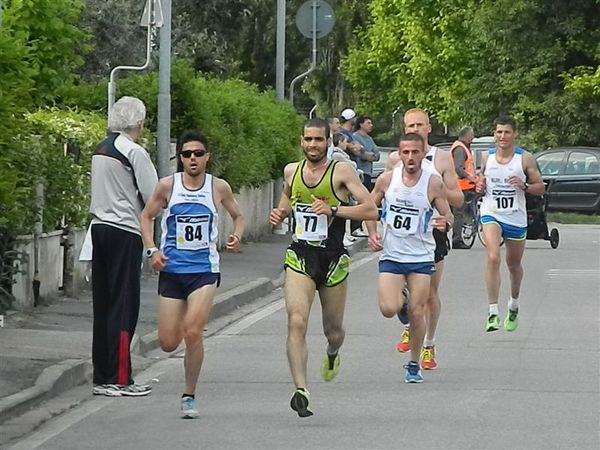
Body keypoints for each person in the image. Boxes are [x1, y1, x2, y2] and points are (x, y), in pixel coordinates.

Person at [269, 118, 378, 417]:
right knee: (296, 322)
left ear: (329, 141)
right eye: (308, 140)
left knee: (333, 331)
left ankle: (332, 354)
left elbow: (370, 209)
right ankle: (301, 390)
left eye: (318, 140)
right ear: (301, 140)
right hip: (300, 257)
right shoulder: (292, 171)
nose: (313, 145)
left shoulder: (341, 171)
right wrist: (280, 213)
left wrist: (333, 209)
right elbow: (287, 200)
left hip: (332, 261)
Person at [140, 129, 244, 418]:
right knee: (168, 342)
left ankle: (189, 395)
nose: (193, 159)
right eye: (187, 154)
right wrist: (151, 250)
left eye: (198, 153)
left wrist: (237, 236)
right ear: (181, 159)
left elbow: (238, 216)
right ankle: (186, 378)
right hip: (172, 270)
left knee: (193, 331)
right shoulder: (167, 186)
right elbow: (146, 216)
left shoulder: (218, 187)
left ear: (207, 157)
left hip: (204, 270)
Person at [367, 133, 452, 382]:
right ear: (400, 154)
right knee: (388, 308)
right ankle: (401, 304)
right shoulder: (386, 180)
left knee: (418, 311)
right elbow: (369, 209)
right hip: (392, 254)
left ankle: (414, 364)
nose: (411, 157)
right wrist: (372, 233)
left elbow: (448, 215)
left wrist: (443, 222)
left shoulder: (433, 183)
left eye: (416, 152)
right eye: (406, 152)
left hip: (421, 256)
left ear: (422, 155)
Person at [90, 96, 158, 397]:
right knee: (124, 305)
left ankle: (102, 376)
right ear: (139, 124)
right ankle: (120, 378)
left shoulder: (101, 149)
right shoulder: (133, 152)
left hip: (98, 229)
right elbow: (154, 196)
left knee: (103, 305)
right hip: (125, 231)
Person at [386, 108, 463, 370]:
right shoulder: (396, 159)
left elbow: (458, 198)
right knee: (398, 294)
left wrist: (435, 187)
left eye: (420, 125)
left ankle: (429, 345)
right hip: (399, 237)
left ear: (429, 128)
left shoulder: (441, 159)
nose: (416, 129)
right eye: (411, 125)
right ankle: (409, 320)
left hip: (432, 234)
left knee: (430, 293)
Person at [475, 116, 544, 332]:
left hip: (515, 216)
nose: (502, 136)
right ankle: (492, 311)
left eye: (506, 132)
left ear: (515, 134)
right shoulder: (487, 157)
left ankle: (513, 304)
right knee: (493, 257)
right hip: (491, 213)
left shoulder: (525, 159)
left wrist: (524, 185)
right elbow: (480, 181)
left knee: (513, 265)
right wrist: (479, 185)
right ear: (494, 134)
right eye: (499, 132)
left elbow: (540, 187)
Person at [450, 126, 478, 249]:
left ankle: (462, 233)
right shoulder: (460, 149)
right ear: (467, 136)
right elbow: (458, 168)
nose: (472, 138)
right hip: (461, 186)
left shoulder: (463, 147)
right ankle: (457, 240)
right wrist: (470, 177)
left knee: (461, 212)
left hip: (466, 186)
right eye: (471, 135)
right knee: (459, 213)